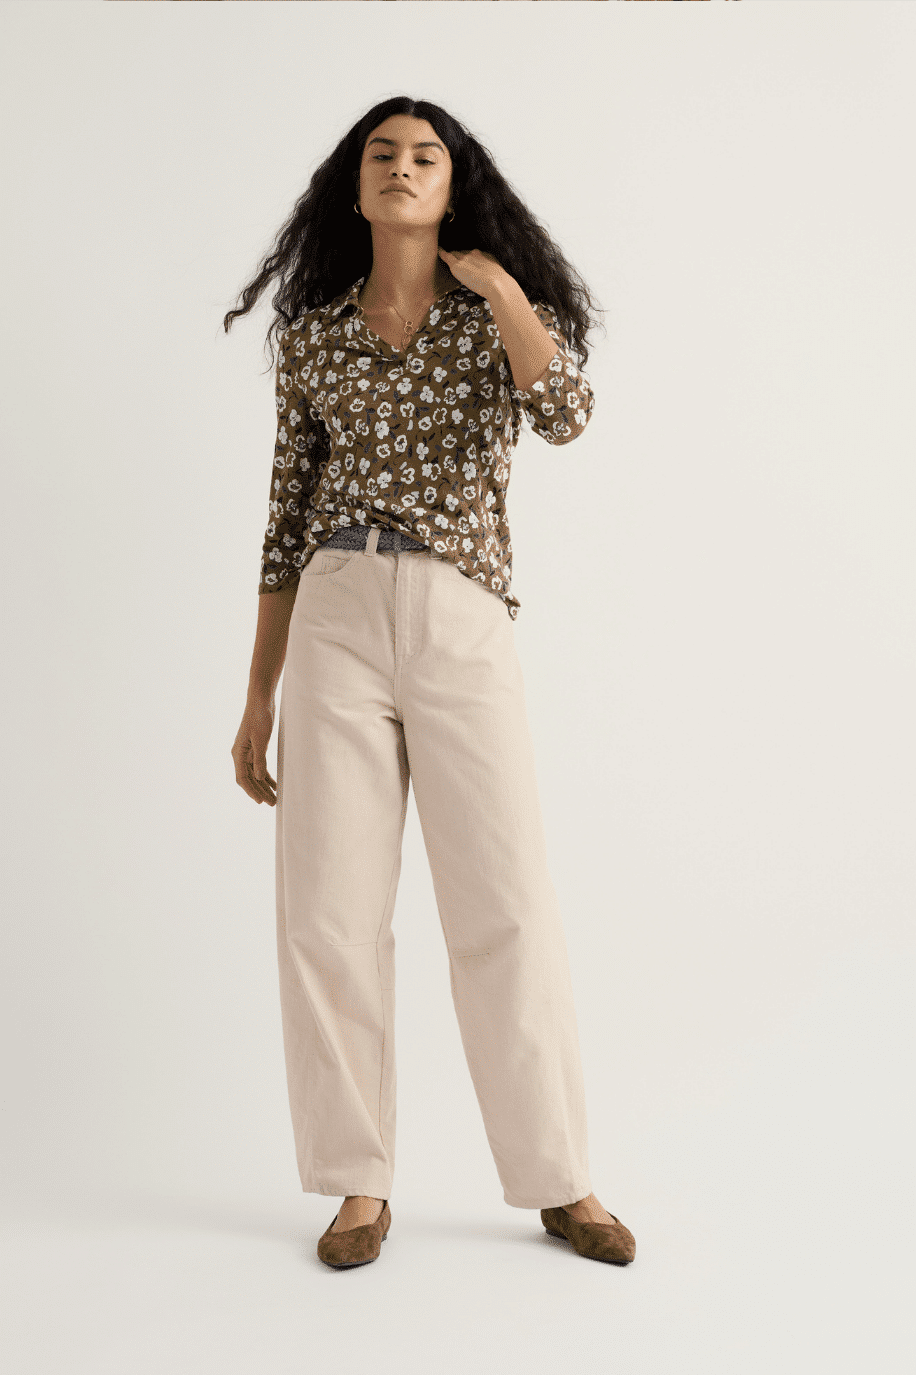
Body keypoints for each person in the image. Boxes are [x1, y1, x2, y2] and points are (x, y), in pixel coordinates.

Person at [226, 96, 635, 1270]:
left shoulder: (492, 318)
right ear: (352, 186)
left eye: (424, 157)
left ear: (456, 186)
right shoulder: (315, 338)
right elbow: (282, 520)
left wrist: (499, 287)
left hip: (461, 614)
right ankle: (357, 1183)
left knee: (504, 901)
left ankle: (559, 1178)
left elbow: (567, 413)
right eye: (381, 155)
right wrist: (259, 694)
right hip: (338, 611)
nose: (400, 168)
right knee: (327, 910)